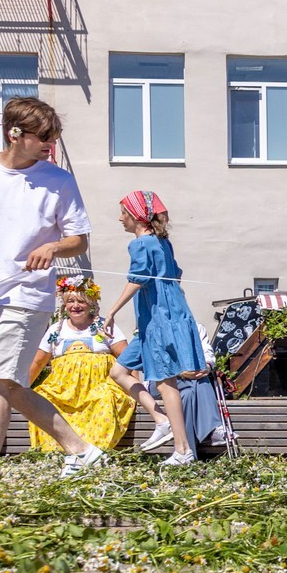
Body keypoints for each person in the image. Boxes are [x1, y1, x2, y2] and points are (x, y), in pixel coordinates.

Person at [0, 95, 99, 476]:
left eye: (54, 136)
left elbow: (79, 238)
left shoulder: (59, 180)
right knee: (2, 382)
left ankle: (74, 450)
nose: (51, 144)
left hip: (29, 295)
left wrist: (53, 245)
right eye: (44, 136)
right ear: (14, 134)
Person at [99, 191, 207, 463]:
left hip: (159, 320)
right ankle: (162, 420)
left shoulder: (140, 244)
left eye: (124, 212)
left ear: (137, 216)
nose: (120, 218)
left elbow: (138, 279)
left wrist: (111, 312)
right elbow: (175, 274)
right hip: (159, 318)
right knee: (119, 371)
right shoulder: (162, 243)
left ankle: (183, 451)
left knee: (165, 380)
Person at [27, 280, 141, 452]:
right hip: (63, 390)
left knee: (105, 400)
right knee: (43, 398)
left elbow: (127, 359)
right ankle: (56, 452)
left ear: (91, 304)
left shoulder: (105, 326)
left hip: (99, 386)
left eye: (81, 301)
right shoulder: (56, 331)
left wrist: (136, 389)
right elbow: (38, 362)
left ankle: (93, 451)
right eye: (71, 301)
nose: (75, 306)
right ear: (64, 305)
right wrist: (22, 388)